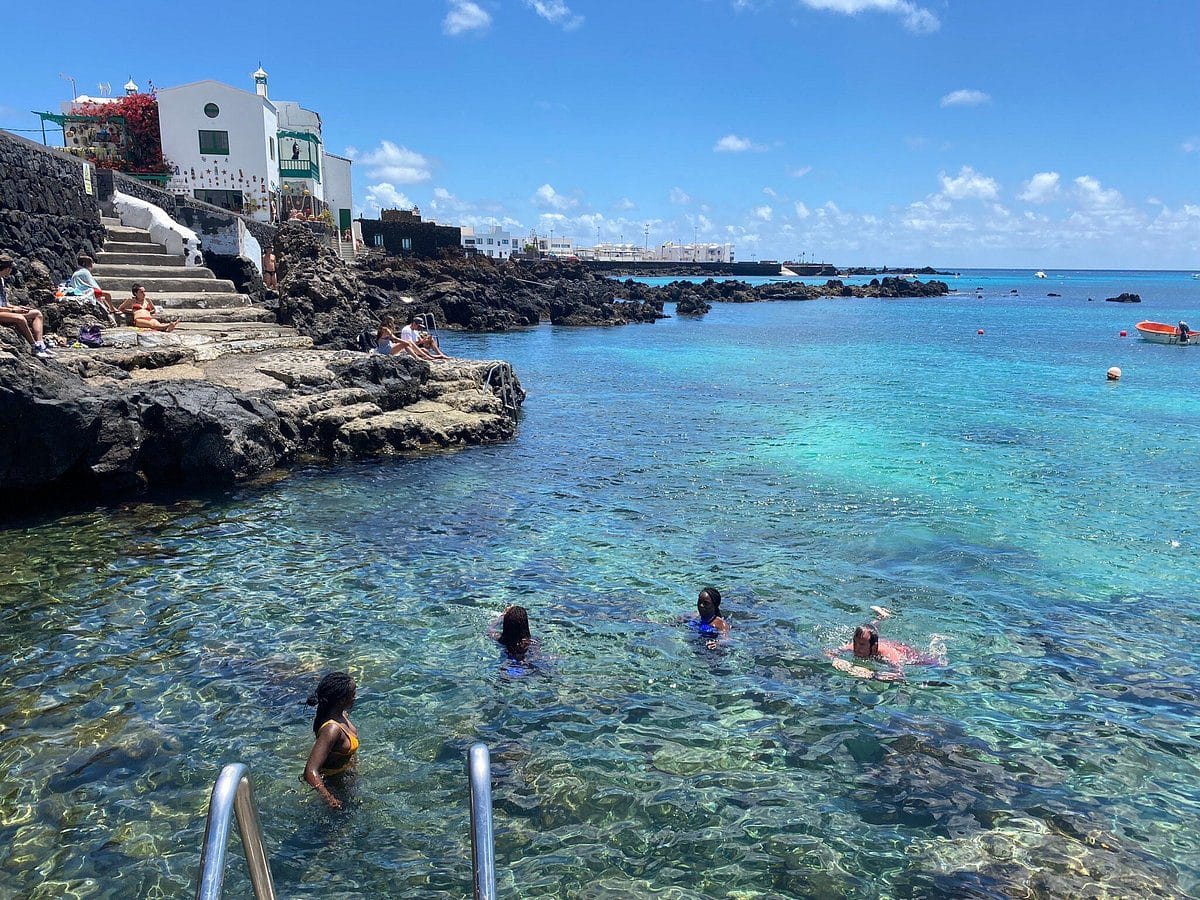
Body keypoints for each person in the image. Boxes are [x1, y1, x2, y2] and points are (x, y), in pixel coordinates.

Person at [301, 672, 359, 809]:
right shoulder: (332, 729)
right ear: (341, 700)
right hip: (333, 784)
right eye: (353, 694)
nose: (356, 697)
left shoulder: (342, 714)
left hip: (344, 775)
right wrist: (330, 799)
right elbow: (310, 771)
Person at [827, 607, 928, 681]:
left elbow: (900, 674)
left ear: (874, 647)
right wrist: (835, 659)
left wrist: (873, 675)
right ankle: (881, 617)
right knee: (870, 630)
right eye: (855, 642)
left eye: (861, 645)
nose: (856, 648)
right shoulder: (855, 646)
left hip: (901, 650)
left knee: (930, 662)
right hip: (875, 641)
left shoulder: (888, 655)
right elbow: (829, 652)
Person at [0, 255, 53, 359]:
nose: (11, 271)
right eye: (11, 268)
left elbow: (4, 303)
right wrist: (14, 311)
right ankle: (34, 346)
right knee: (20, 318)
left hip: (5, 310)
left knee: (37, 313)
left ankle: (40, 343)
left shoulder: (1, 280)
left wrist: (18, 307)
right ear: (7, 268)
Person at [66, 255, 119, 325]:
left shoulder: (77, 271)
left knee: (102, 299)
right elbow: (92, 285)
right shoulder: (85, 272)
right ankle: (112, 308)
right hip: (87, 291)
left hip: (78, 289)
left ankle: (111, 308)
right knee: (107, 295)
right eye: (91, 263)